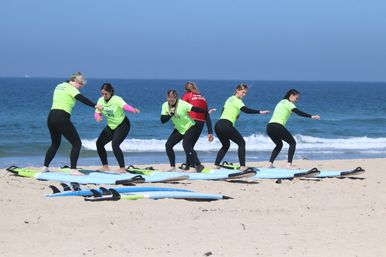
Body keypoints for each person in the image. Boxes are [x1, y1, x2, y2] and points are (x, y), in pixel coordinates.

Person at [42, 72, 103, 175]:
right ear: (74, 80)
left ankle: (45, 167)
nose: (80, 87)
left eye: (81, 85)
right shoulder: (71, 88)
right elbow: (81, 98)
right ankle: (73, 169)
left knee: (55, 143)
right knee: (77, 143)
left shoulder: (59, 86)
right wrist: (95, 106)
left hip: (51, 117)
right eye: (80, 84)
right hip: (61, 117)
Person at [214, 83, 270, 171]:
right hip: (226, 125)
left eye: (245, 93)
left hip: (218, 125)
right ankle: (242, 166)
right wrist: (259, 112)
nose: (244, 95)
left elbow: (223, 111)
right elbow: (246, 110)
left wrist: (235, 116)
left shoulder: (229, 99)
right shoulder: (237, 100)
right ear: (237, 90)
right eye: (243, 92)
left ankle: (216, 164)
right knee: (242, 143)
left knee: (226, 145)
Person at [267, 89, 320, 169]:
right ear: (291, 96)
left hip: (269, 127)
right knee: (292, 143)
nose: (297, 100)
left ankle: (270, 163)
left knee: (279, 145)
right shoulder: (289, 103)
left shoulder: (281, 102)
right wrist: (312, 116)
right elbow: (298, 112)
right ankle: (289, 164)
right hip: (277, 126)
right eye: (296, 98)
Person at [161, 89, 212, 172]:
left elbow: (195, 109)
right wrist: (170, 114)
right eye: (168, 98)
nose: (170, 100)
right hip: (179, 129)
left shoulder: (182, 104)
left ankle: (198, 165)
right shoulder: (165, 105)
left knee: (186, 146)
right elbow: (162, 120)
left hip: (190, 127)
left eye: (172, 98)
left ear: (176, 97)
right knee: (168, 145)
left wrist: (206, 111)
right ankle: (172, 167)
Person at [94, 83, 140, 173]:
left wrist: (133, 110)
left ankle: (122, 168)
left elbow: (125, 106)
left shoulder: (117, 99)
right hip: (111, 126)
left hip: (123, 124)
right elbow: (97, 112)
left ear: (110, 92)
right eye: (102, 94)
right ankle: (105, 166)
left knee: (115, 144)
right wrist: (97, 117)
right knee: (99, 143)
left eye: (106, 94)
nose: (104, 96)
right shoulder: (100, 100)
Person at [179, 81, 214, 170]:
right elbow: (206, 114)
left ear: (186, 89)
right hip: (201, 123)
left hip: (192, 122)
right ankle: (187, 166)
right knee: (190, 146)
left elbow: (181, 109)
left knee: (186, 145)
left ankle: (198, 165)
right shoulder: (202, 97)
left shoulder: (187, 95)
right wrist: (210, 131)